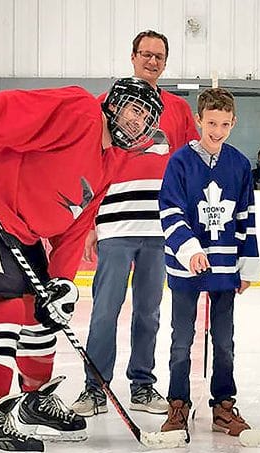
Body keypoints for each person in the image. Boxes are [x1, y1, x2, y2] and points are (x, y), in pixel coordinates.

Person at [0, 78, 163, 453]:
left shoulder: (111, 162)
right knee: (4, 306)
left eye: (145, 118)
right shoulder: (81, 112)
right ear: (114, 104)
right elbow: (14, 105)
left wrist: (62, 281)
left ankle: (34, 401)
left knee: (43, 313)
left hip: (22, 229)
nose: (136, 122)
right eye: (132, 110)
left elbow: (77, 224)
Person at [71, 30, 199, 418]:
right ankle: (95, 388)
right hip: (114, 225)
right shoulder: (104, 105)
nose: (152, 61)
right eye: (145, 54)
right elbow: (86, 167)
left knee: (149, 311)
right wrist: (89, 222)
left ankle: (142, 385)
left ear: (166, 61)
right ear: (132, 56)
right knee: (104, 310)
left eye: (159, 56)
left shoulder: (176, 109)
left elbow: (188, 168)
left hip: (159, 228)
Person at [157, 87, 260, 437]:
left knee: (225, 341)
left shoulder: (240, 164)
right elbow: (170, 212)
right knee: (180, 340)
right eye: (211, 123)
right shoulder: (179, 162)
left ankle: (223, 405)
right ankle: (178, 404)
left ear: (234, 123)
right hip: (186, 268)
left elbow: (246, 218)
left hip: (225, 268)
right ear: (199, 120)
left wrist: (246, 266)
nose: (217, 131)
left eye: (225, 124)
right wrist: (189, 250)